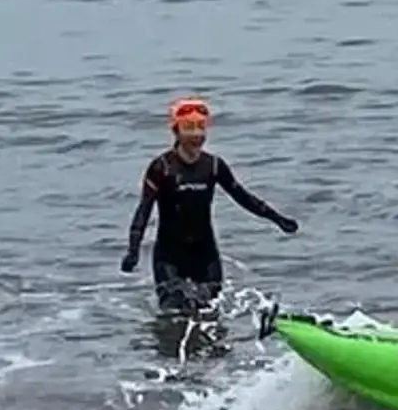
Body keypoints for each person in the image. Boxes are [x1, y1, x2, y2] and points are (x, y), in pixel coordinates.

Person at [120, 97, 297, 313]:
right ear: (176, 132)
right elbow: (144, 210)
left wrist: (277, 219)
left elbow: (243, 197)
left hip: (205, 255)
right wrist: (133, 250)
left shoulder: (213, 166)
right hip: (170, 256)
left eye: (201, 127)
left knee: (211, 314)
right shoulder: (162, 168)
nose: (196, 134)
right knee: (174, 314)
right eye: (189, 128)